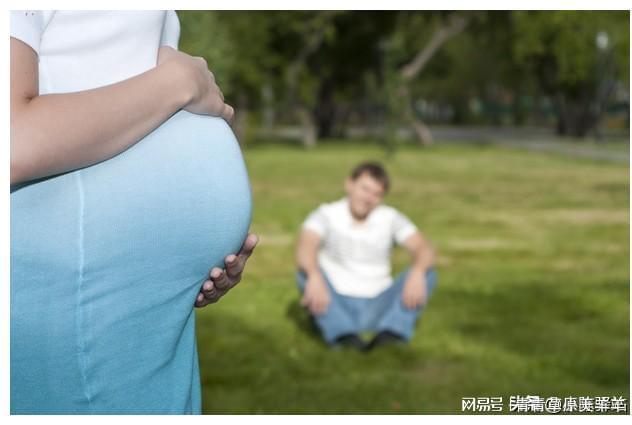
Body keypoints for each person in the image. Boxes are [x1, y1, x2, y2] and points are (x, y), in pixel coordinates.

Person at [10, 10, 258, 414]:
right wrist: (180, 83)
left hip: (132, 312)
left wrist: (185, 257)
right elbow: (12, 140)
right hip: (70, 306)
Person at [295, 162, 437, 352]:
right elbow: (306, 245)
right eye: (365, 189)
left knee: (427, 273)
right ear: (349, 185)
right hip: (335, 299)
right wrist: (314, 275)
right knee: (305, 273)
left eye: (376, 194)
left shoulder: (390, 217)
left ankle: (391, 334)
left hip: (378, 302)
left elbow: (423, 248)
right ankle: (343, 336)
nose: (368, 198)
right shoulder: (326, 214)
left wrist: (418, 271)